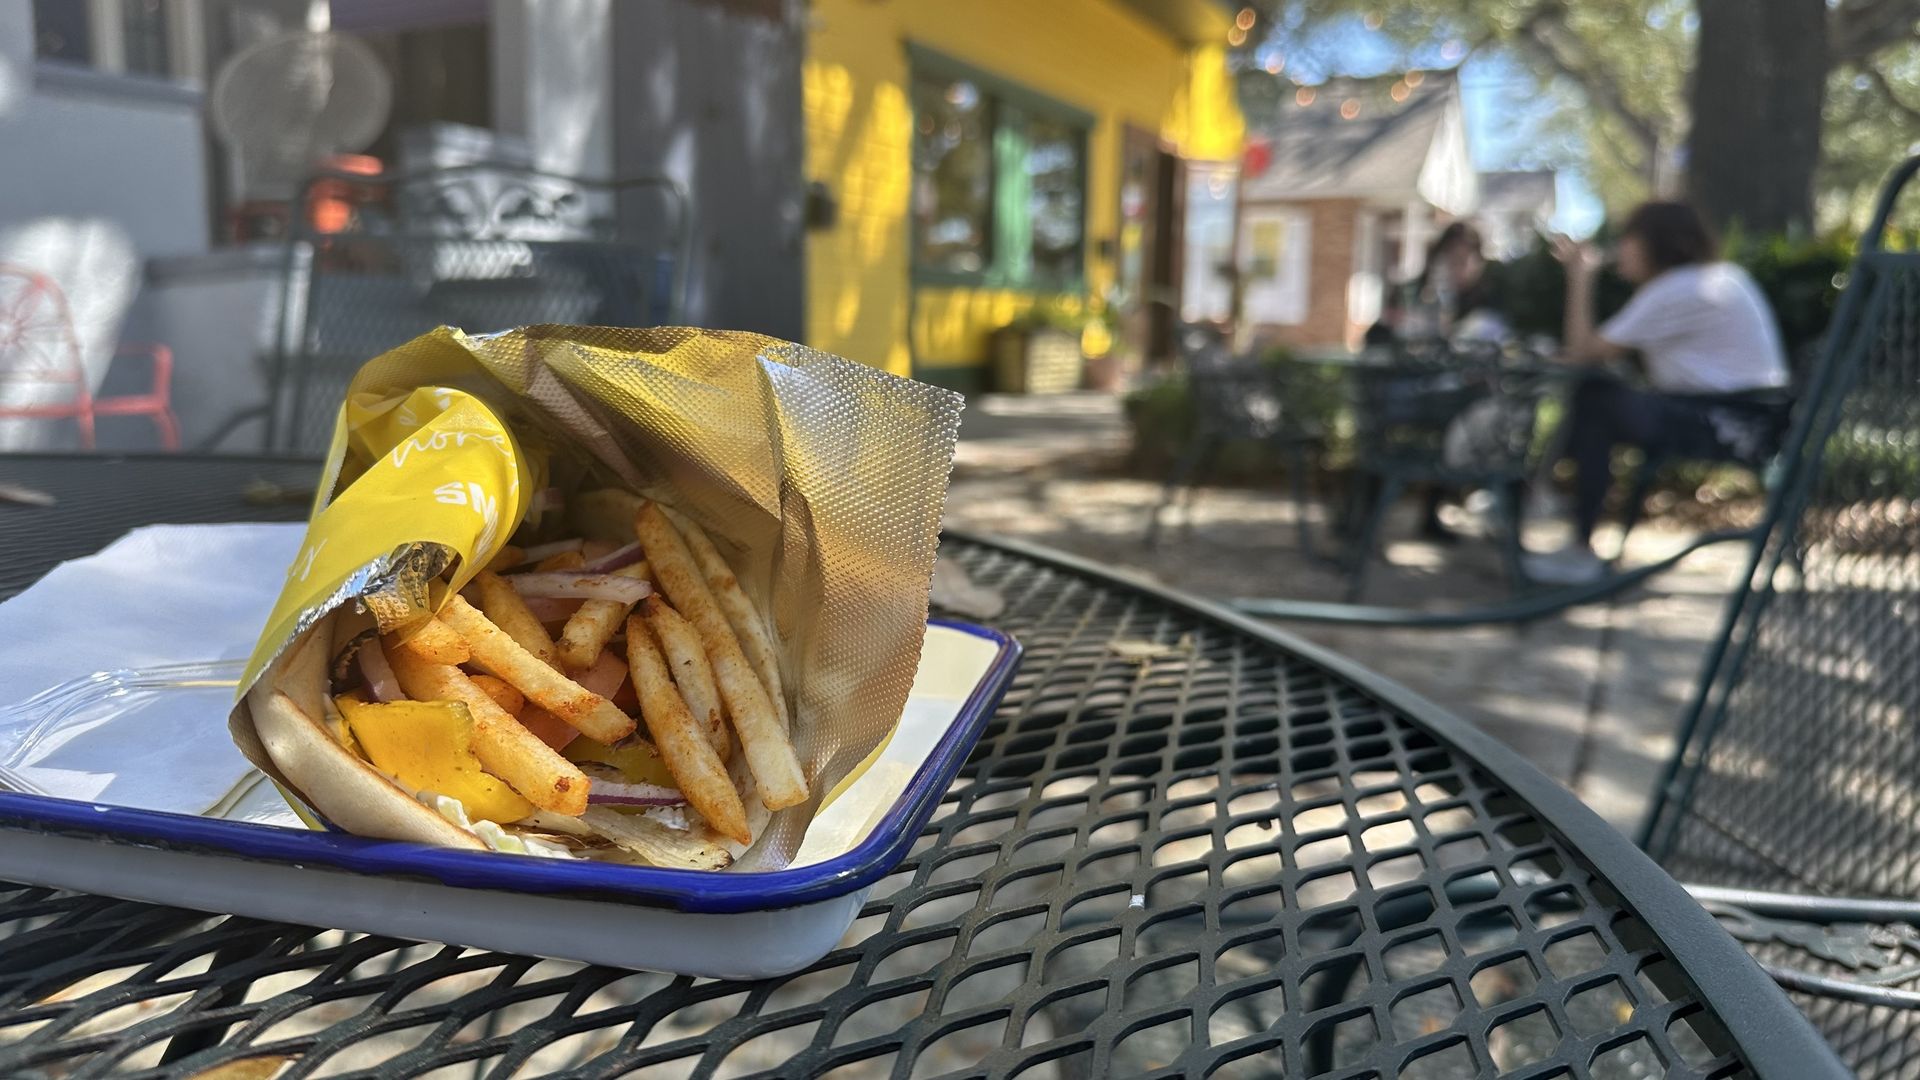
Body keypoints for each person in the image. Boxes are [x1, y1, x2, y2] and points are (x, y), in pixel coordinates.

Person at [1525, 201, 1790, 585]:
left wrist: (1581, 277)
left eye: (1627, 238)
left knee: (1594, 399)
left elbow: (1584, 353)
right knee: (1598, 395)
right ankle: (1543, 493)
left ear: (1656, 243)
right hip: (1751, 418)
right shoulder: (1716, 277)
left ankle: (1556, 516)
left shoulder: (1678, 288)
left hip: (1729, 422)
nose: (1620, 248)